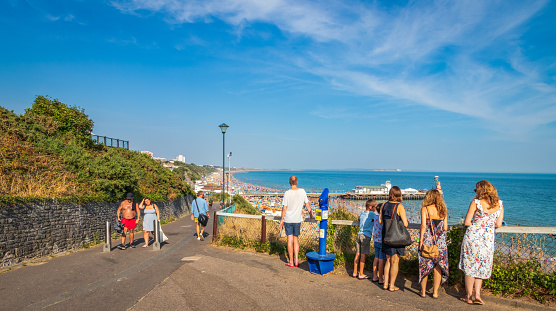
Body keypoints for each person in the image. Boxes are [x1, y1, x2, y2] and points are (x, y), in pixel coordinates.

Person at [459, 180, 504, 305]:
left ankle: (468, 296)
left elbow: (467, 222)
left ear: (480, 190)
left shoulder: (476, 203)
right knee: (481, 267)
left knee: (470, 267)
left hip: (473, 237)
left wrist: (478, 224)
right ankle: (478, 295)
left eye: (476, 190)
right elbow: (498, 224)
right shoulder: (499, 205)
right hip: (487, 240)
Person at [418, 189, 449, 298]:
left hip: (427, 241)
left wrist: (420, 241)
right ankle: (435, 292)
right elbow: (445, 228)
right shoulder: (443, 210)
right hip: (440, 242)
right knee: (438, 267)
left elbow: (423, 226)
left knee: (425, 266)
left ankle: (423, 292)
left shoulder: (425, 209)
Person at [379, 186, 409, 291]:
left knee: (388, 260)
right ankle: (392, 285)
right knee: (395, 261)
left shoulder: (384, 205)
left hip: (386, 235)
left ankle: (385, 284)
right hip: (396, 237)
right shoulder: (399, 206)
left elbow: (380, 221)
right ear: (399, 195)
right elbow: (405, 223)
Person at [280, 176, 313, 267]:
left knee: (289, 240)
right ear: (297, 182)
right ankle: (297, 261)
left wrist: (282, 219)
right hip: (297, 219)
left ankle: (291, 262)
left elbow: (284, 208)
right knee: (296, 240)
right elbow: (307, 204)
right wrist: (311, 215)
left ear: (289, 182)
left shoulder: (287, 193)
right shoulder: (302, 191)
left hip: (288, 219)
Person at [353, 199, 377, 279]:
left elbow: (359, 219)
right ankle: (361, 273)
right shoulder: (371, 214)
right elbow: (378, 219)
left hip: (359, 234)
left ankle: (355, 272)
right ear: (370, 207)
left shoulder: (362, 213)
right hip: (366, 236)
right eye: (374, 207)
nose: (375, 209)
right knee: (363, 255)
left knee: (357, 254)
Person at [372, 203, 385, 283]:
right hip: (381, 241)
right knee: (381, 260)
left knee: (376, 258)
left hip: (375, 240)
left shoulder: (375, 217)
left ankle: (374, 276)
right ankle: (380, 278)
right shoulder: (383, 218)